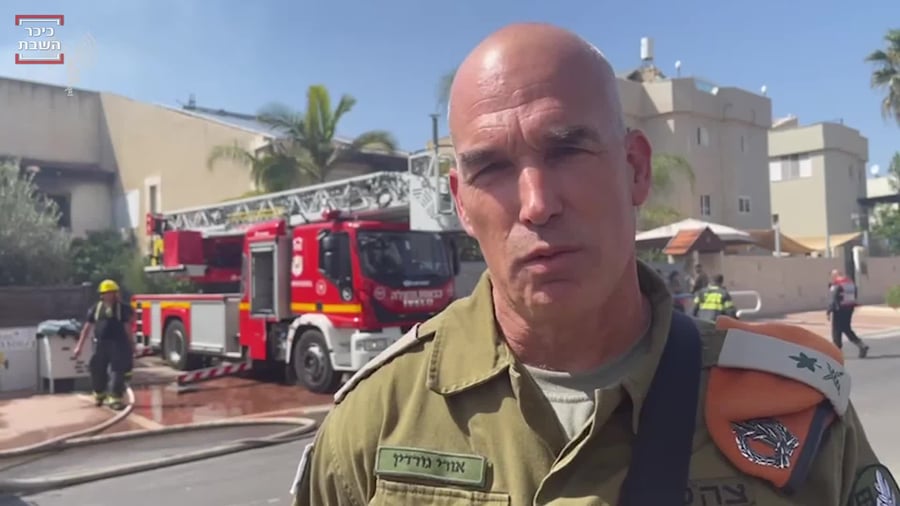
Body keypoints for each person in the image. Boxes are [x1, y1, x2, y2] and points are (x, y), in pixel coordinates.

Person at [292, 24, 894, 505]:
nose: (537, 204)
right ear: (462, 204)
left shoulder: (797, 412)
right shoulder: (376, 420)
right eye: (492, 168)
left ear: (635, 169)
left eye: (567, 150)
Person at [73, 279, 136, 410]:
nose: (109, 295)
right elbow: (87, 328)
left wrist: (132, 344)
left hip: (118, 344)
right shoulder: (96, 309)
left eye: (112, 292)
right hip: (101, 344)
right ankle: (99, 394)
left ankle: (115, 397)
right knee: (97, 369)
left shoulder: (122, 309)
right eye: (107, 293)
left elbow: (127, 327)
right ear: (102, 294)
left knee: (117, 371)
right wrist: (79, 346)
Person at [829, 269, 870, 358]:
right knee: (846, 328)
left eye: (832, 275)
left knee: (836, 330)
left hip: (839, 309)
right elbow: (855, 295)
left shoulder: (837, 283)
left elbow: (834, 297)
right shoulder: (850, 283)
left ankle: (836, 352)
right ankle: (861, 345)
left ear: (835, 275)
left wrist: (829, 310)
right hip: (849, 308)